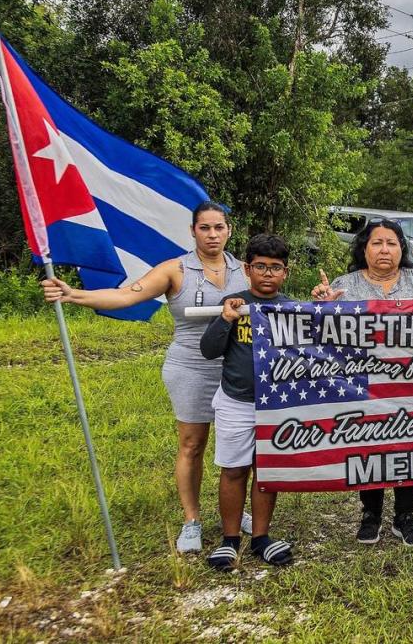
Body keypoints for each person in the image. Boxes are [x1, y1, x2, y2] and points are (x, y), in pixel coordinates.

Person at [40, 201, 252, 553]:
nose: (213, 235)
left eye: (219, 227)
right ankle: (192, 521)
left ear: (229, 230)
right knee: (192, 444)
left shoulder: (245, 271)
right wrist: (73, 294)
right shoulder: (174, 270)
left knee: (238, 444)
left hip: (236, 367)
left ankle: (236, 511)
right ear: (193, 231)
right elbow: (126, 295)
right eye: (205, 228)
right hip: (190, 366)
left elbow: (279, 304)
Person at [312, 218, 413, 547]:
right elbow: (322, 336)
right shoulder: (346, 283)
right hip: (363, 382)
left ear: (402, 249)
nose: (385, 249)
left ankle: (405, 514)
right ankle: (370, 513)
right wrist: (321, 307)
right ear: (364, 248)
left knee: (409, 445)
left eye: (392, 243)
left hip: (412, 381)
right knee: (369, 445)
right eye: (377, 243)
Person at [200, 234, 294, 570]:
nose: (268, 274)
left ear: (285, 272)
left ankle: (261, 538)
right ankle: (229, 540)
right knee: (234, 469)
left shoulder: (292, 308)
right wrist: (226, 319)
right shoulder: (233, 303)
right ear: (247, 268)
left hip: (276, 403)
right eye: (260, 266)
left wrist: (325, 307)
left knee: (267, 471)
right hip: (236, 400)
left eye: (275, 267)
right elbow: (209, 350)